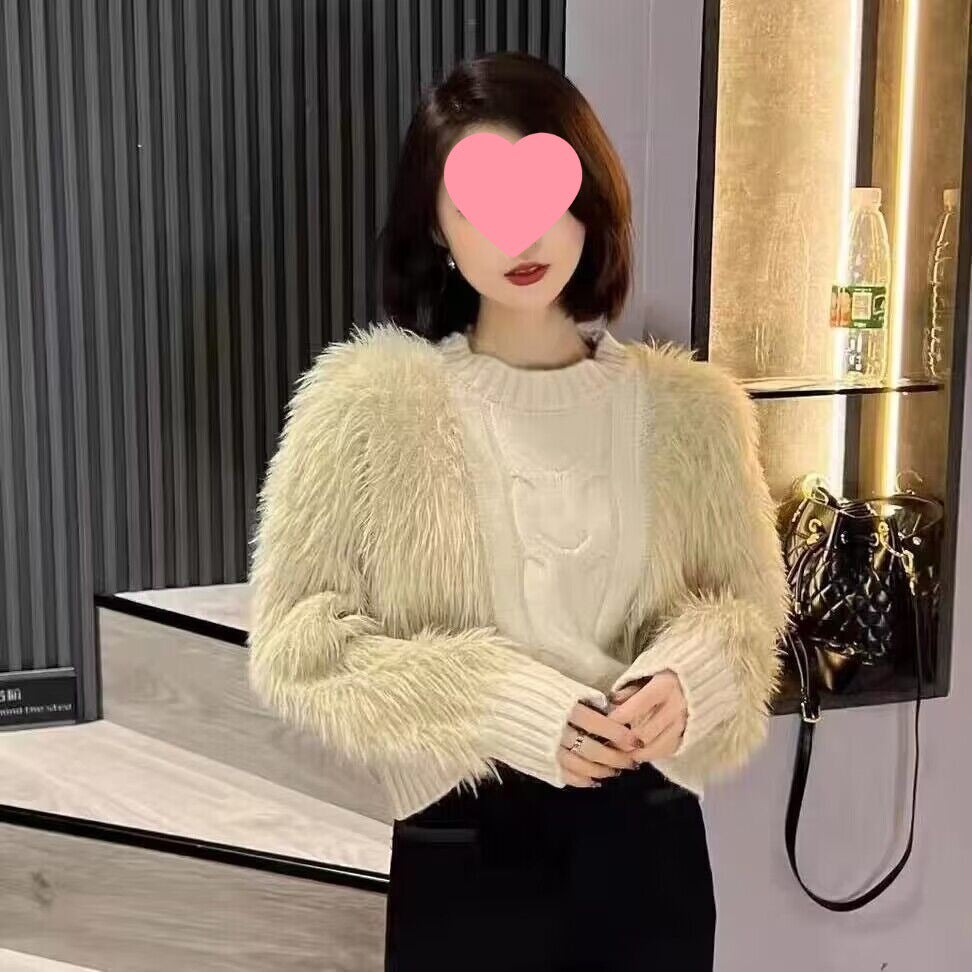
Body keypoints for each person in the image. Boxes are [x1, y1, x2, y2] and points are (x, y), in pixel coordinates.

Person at [247, 51, 792, 972]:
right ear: (436, 224)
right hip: (470, 833)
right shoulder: (369, 407)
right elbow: (298, 642)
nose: (521, 233)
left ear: (588, 198)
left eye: (546, 195)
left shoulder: (695, 414)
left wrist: (689, 679)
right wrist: (502, 701)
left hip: (648, 832)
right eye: (479, 207)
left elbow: (749, 612)